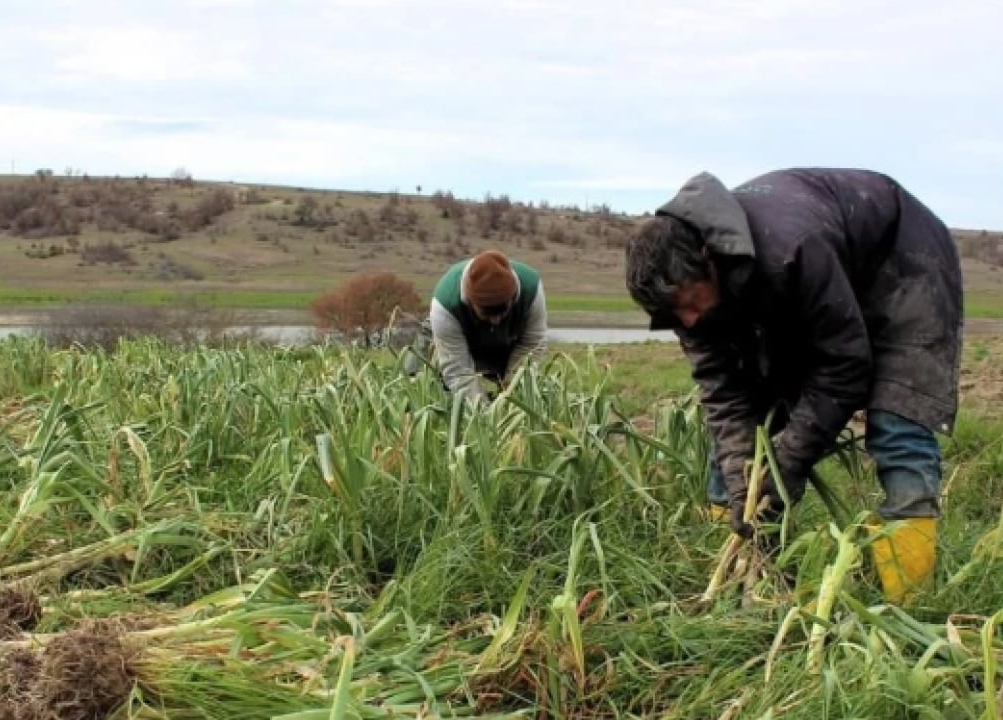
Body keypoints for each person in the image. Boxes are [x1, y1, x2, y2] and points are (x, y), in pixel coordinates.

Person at [623, 168, 963, 605]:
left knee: (898, 419)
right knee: (741, 445)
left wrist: (789, 464)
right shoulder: (682, 297)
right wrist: (743, 484)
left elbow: (843, 366)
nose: (688, 320)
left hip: (902, 262)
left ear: (708, 258)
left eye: (690, 303)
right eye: (676, 313)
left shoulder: (792, 248)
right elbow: (724, 395)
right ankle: (738, 581)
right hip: (811, 286)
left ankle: (909, 603)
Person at [404, 249, 548, 403]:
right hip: (454, 334)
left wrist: (511, 396)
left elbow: (531, 345)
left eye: (501, 311)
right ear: (470, 302)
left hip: (508, 338)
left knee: (521, 389)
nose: (495, 320)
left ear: (513, 298)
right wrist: (482, 410)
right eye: (488, 313)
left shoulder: (532, 289)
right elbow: (458, 372)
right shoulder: (445, 305)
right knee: (414, 385)